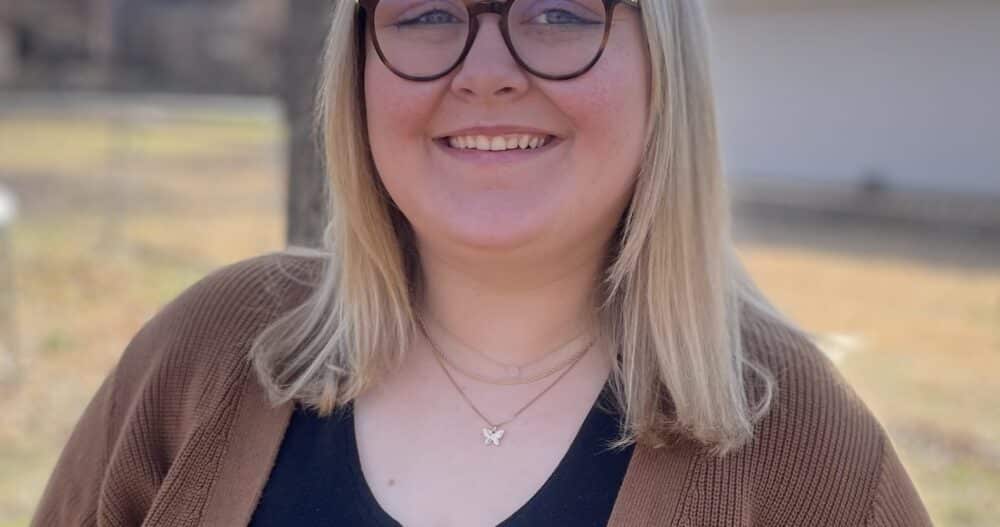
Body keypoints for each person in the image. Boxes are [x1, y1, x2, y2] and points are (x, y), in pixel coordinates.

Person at [31, 0, 933, 525]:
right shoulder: (205, 354)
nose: (487, 71)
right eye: (427, 12)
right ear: (357, 70)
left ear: (662, 66)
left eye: (557, 11)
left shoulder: (804, 447)